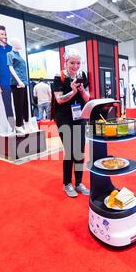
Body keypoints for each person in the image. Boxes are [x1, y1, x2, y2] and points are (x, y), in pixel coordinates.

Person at [53, 48, 90, 198]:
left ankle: (79, 183)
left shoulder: (83, 75)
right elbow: (59, 99)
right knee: (70, 150)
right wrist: (73, 91)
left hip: (79, 116)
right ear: (66, 62)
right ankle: (67, 183)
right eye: (72, 62)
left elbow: (87, 98)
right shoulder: (59, 77)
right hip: (63, 117)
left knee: (79, 151)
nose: (75, 66)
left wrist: (81, 90)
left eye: (78, 63)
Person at [0, 25, 14, 131]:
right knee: (8, 106)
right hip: (4, 83)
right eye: (2, 34)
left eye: (5, 34)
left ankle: (20, 126)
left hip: (16, 82)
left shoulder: (11, 48)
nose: (4, 36)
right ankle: (12, 127)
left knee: (19, 105)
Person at [7, 37, 29, 134]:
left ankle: (25, 123)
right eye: (19, 42)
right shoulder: (10, 54)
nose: (20, 44)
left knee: (25, 104)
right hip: (17, 83)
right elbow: (11, 68)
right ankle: (18, 125)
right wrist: (19, 81)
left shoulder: (19, 55)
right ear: (14, 43)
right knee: (18, 105)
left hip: (24, 82)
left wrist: (23, 81)